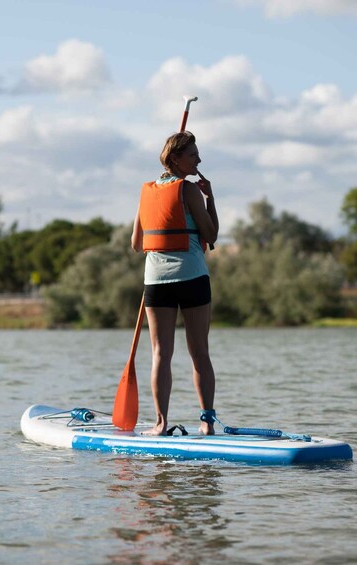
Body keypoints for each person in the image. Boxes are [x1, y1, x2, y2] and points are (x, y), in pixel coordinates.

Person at [130, 131, 219, 436]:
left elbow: (135, 243)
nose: (199, 159)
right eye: (193, 155)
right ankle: (207, 421)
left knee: (160, 354)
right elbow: (211, 234)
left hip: (156, 281)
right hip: (192, 276)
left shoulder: (146, 192)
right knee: (200, 353)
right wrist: (210, 199)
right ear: (176, 159)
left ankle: (160, 423)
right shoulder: (190, 190)